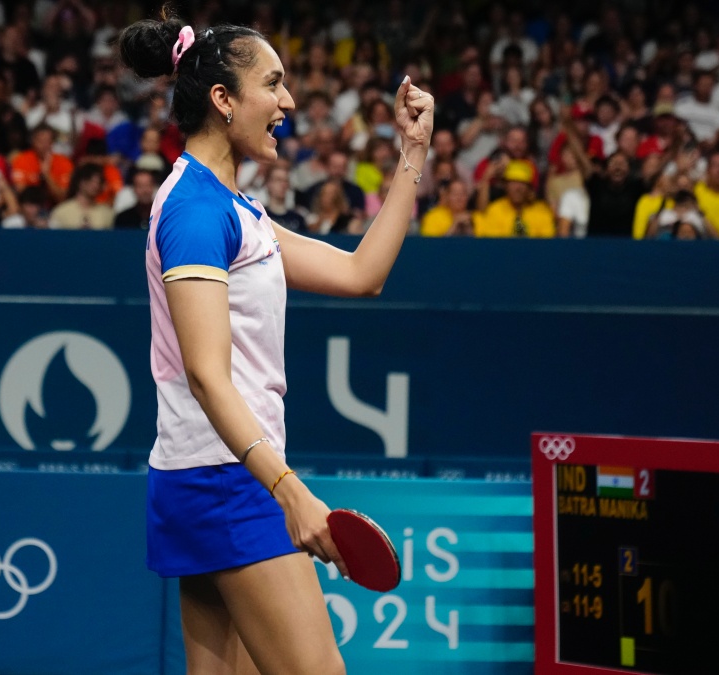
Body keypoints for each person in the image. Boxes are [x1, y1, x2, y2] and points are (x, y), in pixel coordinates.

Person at [117, 16, 433, 675]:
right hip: (226, 477)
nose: (288, 102)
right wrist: (288, 491)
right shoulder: (195, 212)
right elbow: (207, 375)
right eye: (273, 83)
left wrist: (413, 152)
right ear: (223, 99)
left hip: (212, 471)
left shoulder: (234, 210)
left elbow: (361, 274)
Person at [474, 160, 555, 237]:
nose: (517, 188)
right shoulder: (494, 211)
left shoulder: (542, 212)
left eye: (522, 183)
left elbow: (547, 243)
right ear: (505, 186)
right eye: (513, 183)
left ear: (529, 188)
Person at [48, 164, 114, 229]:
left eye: (98, 182)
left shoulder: (106, 213)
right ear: (80, 182)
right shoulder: (61, 212)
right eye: (90, 180)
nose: (95, 185)